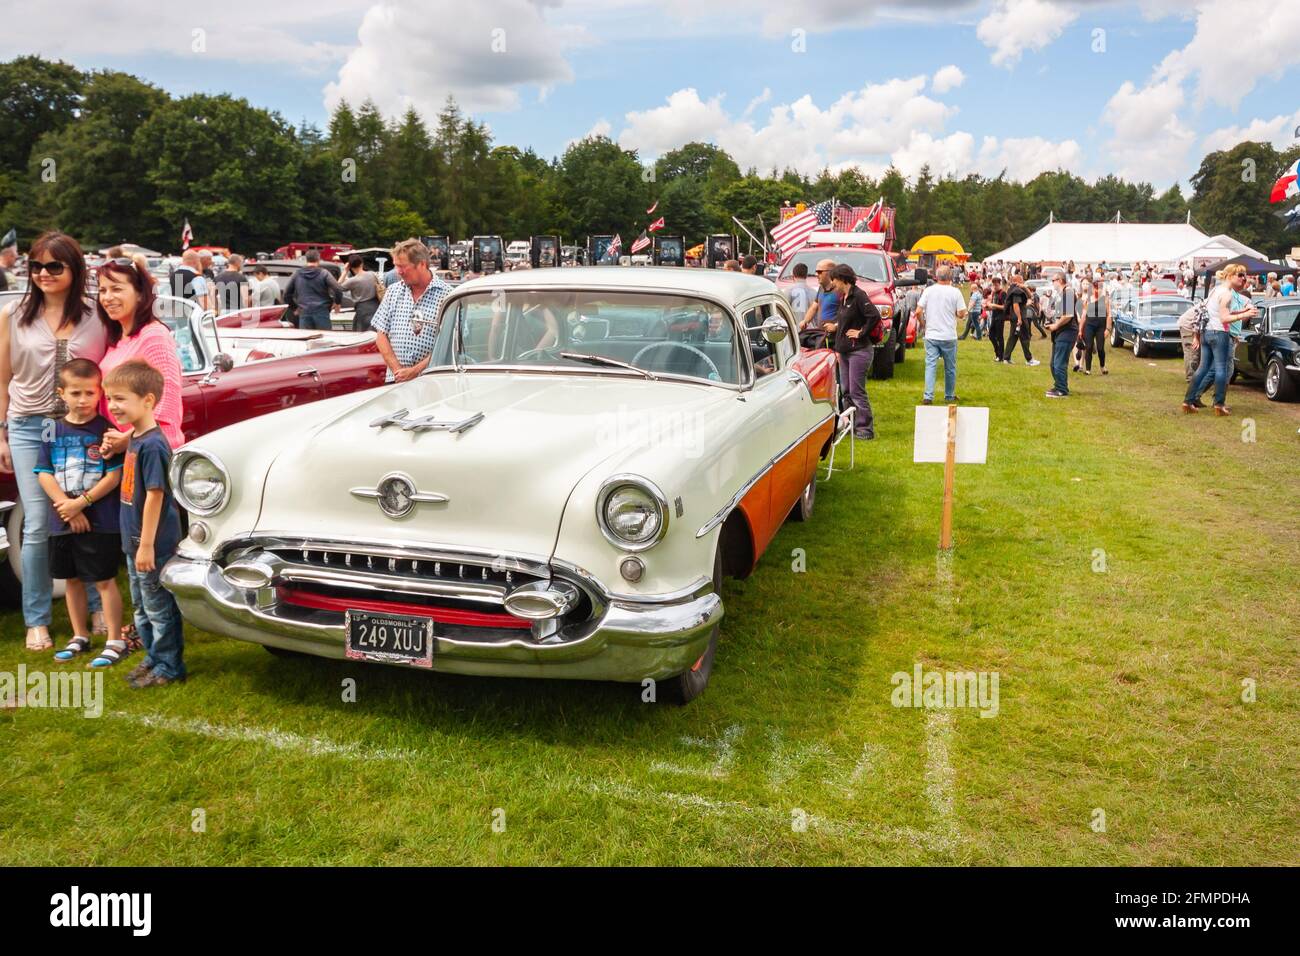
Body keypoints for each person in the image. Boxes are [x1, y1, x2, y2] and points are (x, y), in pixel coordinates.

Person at [0, 231, 110, 651]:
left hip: (81, 427)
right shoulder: (14, 313)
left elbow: (113, 366)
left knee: (88, 516)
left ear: (74, 269)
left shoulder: (95, 314)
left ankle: (99, 607)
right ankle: (37, 620)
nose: (43, 274)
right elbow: (2, 378)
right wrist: (2, 435)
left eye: (54, 266)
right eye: (36, 266)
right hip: (28, 426)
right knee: (38, 524)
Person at [35, 358, 130, 666]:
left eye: (90, 393)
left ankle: (115, 639)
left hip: (100, 521)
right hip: (61, 519)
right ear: (61, 393)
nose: (83, 400)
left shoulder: (106, 428)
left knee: (103, 579)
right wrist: (66, 506)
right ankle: (80, 636)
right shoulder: (50, 427)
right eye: (75, 393)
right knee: (72, 580)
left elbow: (113, 476)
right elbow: (43, 471)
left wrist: (81, 503)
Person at [104, 360, 185, 687]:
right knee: (141, 608)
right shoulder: (135, 438)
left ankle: (170, 666)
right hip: (134, 542)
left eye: (120, 399)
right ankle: (153, 656)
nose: (112, 406)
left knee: (159, 608)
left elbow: (155, 495)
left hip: (151, 544)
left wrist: (148, 544)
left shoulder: (152, 444)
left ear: (148, 401)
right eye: (110, 398)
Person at [95, 258, 186, 453]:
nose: (107, 297)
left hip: (150, 452)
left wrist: (126, 439)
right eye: (102, 290)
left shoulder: (153, 336)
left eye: (116, 289)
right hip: (126, 450)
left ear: (139, 294)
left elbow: (166, 404)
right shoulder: (117, 338)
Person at [370, 238, 452, 383]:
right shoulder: (394, 291)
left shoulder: (446, 295)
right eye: (396, 266)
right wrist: (398, 371)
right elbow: (381, 335)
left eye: (403, 266)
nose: (398, 272)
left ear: (422, 264)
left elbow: (448, 343)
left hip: (431, 381)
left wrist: (414, 371)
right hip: (396, 380)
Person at [1183, 264, 1257, 415]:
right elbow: (1224, 318)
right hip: (1219, 333)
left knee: (1203, 368)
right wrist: (1244, 315)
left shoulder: (1216, 290)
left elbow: (1217, 311)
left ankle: (1188, 402)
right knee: (1221, 369)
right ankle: (1219, 405)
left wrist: (1242, 310)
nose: (1244, 278)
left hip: (1207, 331)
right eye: (1240, 275)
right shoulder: (1227, 294)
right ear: (1230, 276)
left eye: (1244, 275)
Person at [827, 263, 881, 440]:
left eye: (833, 280)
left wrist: (861, 332)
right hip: (844, 351)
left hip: (859, 351)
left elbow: (874, 316)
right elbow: (848, 320)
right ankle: (850, 425)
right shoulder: (844, 297)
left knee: (857, 391)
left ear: (843, 279)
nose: (832, 283)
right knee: (846, 390)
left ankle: (865, 429)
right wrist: (836, 327)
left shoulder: (858, 295)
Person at [914, 264, 965, 405]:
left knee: (930, 365)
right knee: (950, 368)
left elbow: (918, 311)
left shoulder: (929, 291)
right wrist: (956, 314)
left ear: (937, 277)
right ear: (950, 277)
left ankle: (928, 396)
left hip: (931, 335)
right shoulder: (955, 292)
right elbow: (962, 313)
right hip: (949, 335)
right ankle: (949, 395)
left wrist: (923, 324)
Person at [284, 249, 343, 330]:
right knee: (325, 339)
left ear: (306, 259)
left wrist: (294, 307)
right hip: (322, 311)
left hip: (304, 311)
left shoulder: (297, 274)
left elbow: (286, 294)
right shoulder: (324, 273)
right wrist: (337, 302)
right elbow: (338, 289)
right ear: (318, 259)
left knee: (306, 340)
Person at [1044, 274, 1079, 398]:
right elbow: (1060, 313)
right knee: (1053, 363)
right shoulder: (1061, 294)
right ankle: (1058, 385)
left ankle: (1062, 390)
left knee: (1059, 363)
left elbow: (1068, 315)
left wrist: (1056, 325)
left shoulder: (1068, 292)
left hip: (1068, 332)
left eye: (1053, 280)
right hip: (1060, 332)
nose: (1052, 283)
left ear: (1060, 280)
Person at [1002, 274, 1039, 365]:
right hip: (1019, 317)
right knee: (1025, 338)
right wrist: (1019, 318)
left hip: (1014, 317)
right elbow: (1015, 305)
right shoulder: (1016, 291)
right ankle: (1029, 359)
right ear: (1017, 280)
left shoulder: (1013, 289)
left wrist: (1025, 287)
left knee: (1013, 338)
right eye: (1022, 280)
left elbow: (1030, 296)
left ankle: (1006, 358)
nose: (1023, 282)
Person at [339, 254, 383, 332]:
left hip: (362, 310)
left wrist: (345, 271)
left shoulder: (352, 281)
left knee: (362, 333)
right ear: (362, 263)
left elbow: (337, 287)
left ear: (350, 267)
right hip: (376, 306)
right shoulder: (372, 274)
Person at [1079, 278, 1111, 375]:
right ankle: (1088, 369)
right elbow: (1084, 315)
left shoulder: (1105, 299)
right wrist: (1080, 329)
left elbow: (1109, 314)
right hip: (1089, 325)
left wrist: (1108, 329)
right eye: (1095, 288)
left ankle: (1102, 366)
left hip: (1101, 327)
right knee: (1088, 347)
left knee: (1100, 348)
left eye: (1099, 288)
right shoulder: (1088, 300)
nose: (1097, 290)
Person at [987, 277, 1007, 362]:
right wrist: (988, 307)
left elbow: (1004, 307)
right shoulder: (994, 293)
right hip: (994, 316)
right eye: (993, 285)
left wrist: (993, 305)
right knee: (991, 336)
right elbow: (994, 306)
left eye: (996, 285)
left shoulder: (1003, 293)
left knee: (999, 337)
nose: (995, 286)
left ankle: (1001, 356)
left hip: (1000, 317)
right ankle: (998, 353)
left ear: (1000, 284)